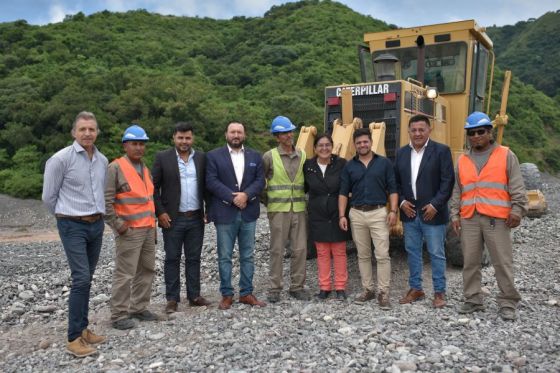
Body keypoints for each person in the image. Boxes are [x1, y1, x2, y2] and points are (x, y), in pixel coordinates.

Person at [42, 111, 108, 357]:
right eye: (83, 129)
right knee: (81, 278)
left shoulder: (101, 160)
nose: (88, 133)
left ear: (97, 132)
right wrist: (65, 217)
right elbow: (49, 197)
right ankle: (73, 338)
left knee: (87, 277)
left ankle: (83, 328)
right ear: (74, 132)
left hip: (96, 224)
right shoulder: (60, 159)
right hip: (72, 225)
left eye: (92, 129)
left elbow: (100, 192)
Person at [450, 112, 527, 321]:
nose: (476, 136)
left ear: (489, 132)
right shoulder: (463, 159)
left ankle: (508, 301)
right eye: (471, 133)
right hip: (469, 218)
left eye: (480, 131)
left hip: (498, 218)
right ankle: (473, 299)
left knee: (502, 261)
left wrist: (518, 210)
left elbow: (517, 186)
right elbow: (458, 190)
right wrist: (454, 214)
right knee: (470, 261)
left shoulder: (506, 155)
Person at [394, 114, 455, 308]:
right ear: (409, 132)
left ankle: (439, 292)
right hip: (409, 212)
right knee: (412, 251)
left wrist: (436, 205)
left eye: (421, 129)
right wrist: (402, 201)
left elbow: (447, 182)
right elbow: (395, 181)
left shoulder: (442, 151)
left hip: (433, 213)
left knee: (436, 253)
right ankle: (416, 289)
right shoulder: (401, 153)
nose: (418, 133)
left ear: (429, 130)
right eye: (414, 130)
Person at [206, 122, 266, 310]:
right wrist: (233, 198)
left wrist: (246, 195)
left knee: (247, 255)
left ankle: (246, 293)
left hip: (248, 212)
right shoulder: (214, 156)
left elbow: (260, 180)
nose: (236, 135)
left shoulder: (255, 156)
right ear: (226, 134)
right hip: (225, 212)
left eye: (239, 131)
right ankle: (227, 294)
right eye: (232, 132)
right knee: (224, 256)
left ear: (244, 135)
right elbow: (211, 181)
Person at [152, 122, 210, 314]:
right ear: (174, 138)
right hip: (172, 218)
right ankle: (172, 298)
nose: (184, 141)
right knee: (172, 258)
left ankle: (194, 295)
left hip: (195, 217)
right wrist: (160, 212)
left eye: (187, 138)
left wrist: (208, 209)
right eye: (180, 138)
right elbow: (153, 188)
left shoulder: (201, 157)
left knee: (194, 258)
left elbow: (207, 187)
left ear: (192, 139)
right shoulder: (163, 158)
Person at [105, 125, 158, 329]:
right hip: (129, 231)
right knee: (125, 273)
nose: (138, 147)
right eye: (134, 144)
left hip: (147, 229)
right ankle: (118, 315)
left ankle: (139, 308)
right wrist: (119, 226)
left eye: (142, 144)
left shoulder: (145, 169)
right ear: (125, 145)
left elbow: (148, 200)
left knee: (147, 269)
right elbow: (106, 201)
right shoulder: (115, 168)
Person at [338, 127, 398, 310]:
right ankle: (368, 290)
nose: (362, 145)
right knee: (363, 255)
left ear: (371, 142)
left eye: (365, 141)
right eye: (358, 143)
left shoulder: (384, 163)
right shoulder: (349, 166)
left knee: (382, 255)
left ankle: (383, 293)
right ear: (355, 145)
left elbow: (393, 189)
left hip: (379, 212)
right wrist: (342, 215)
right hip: (356, 213)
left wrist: (393, 211)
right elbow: (342, 193)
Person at [263, 115, 309, 303]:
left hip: (298, 209)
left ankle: (297, 287)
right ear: (277, 136)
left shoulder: (303, 155)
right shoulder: (269, 156)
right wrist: (268, 203)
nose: (289, 135)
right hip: (278, 210)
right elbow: (260, 183)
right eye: (284, 133)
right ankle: (275, 288)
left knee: (300, 249)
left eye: (290, 131)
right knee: (277, 249)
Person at [303, 134, 349, 301]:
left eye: (327, 145)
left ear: (332, 147)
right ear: (315, 148)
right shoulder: (308, 166)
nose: (324, 148)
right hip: (318, 215)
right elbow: (303, 188)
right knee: (322, 252)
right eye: (320, 145)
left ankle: (340, 287)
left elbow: (346, 187)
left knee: (339, 252)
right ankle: (324, 287)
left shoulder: (341, 164)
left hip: (338, 213)